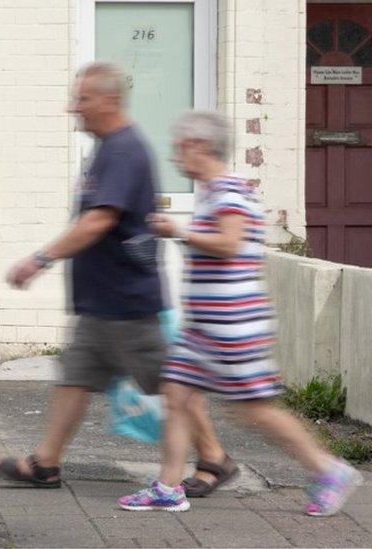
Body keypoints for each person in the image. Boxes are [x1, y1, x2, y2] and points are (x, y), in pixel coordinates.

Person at [118, 110, 363, 516]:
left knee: (255, 409)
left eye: (180, 148)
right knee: (177, 394)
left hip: (233, 326)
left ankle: (330, 470)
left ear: (198, 146)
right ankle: (167, 487)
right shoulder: (215, 192)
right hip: (205, 328)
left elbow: (230, 243)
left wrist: (177, 231)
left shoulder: (229, 191)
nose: (176, 158)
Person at [0, 61, 166, 487]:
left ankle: (215, 457)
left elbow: (99, 220)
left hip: (126, 303)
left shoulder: (124, 149)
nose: (74, 108)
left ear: (109, 100)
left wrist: (40, 259)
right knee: (76, 376)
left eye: (82, 99)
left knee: (172, 384)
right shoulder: (108, 146)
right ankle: (46, 462)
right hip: (102, 301)